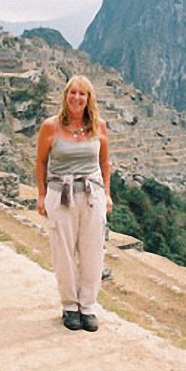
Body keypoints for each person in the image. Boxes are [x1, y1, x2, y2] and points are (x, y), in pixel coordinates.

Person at [36, 75, 113, 332]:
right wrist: (41, 195)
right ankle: (70, 306)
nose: (77, 98)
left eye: (82, 94)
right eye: (73, 93)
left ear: (89, 98)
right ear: (65, 96)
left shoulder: (99, 127)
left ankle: (88, 305)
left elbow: (104, 163)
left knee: (93, 251)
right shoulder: (51, 127)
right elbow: (41, 163)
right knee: (64, 252)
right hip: (61, 194)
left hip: (92, 195)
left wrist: (108, 194)